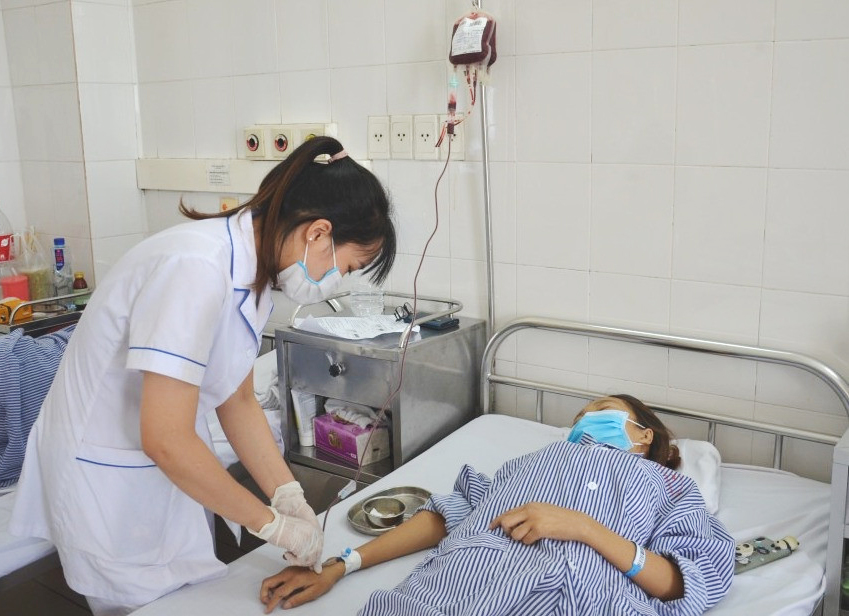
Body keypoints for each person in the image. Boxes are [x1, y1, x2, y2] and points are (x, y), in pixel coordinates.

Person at [9, 136, 396, 616]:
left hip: (157, 475)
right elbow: (166, 438)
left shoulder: (255, 274)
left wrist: (287, 494)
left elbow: (237, 400)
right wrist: (270, 524)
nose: (339, 280)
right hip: (108, 485)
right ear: (318, 233)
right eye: (348, 266)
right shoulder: (193, 267)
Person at [260, 394, 735, 615]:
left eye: (600, 411)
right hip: (452, 591)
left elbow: (685, 582)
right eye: (580, 418)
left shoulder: (669, 488)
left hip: (576, 595)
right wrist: (340, 566)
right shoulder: (533, 461)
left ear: (644, 434)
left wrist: (584, 528)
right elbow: (445, 518)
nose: (585, 420)